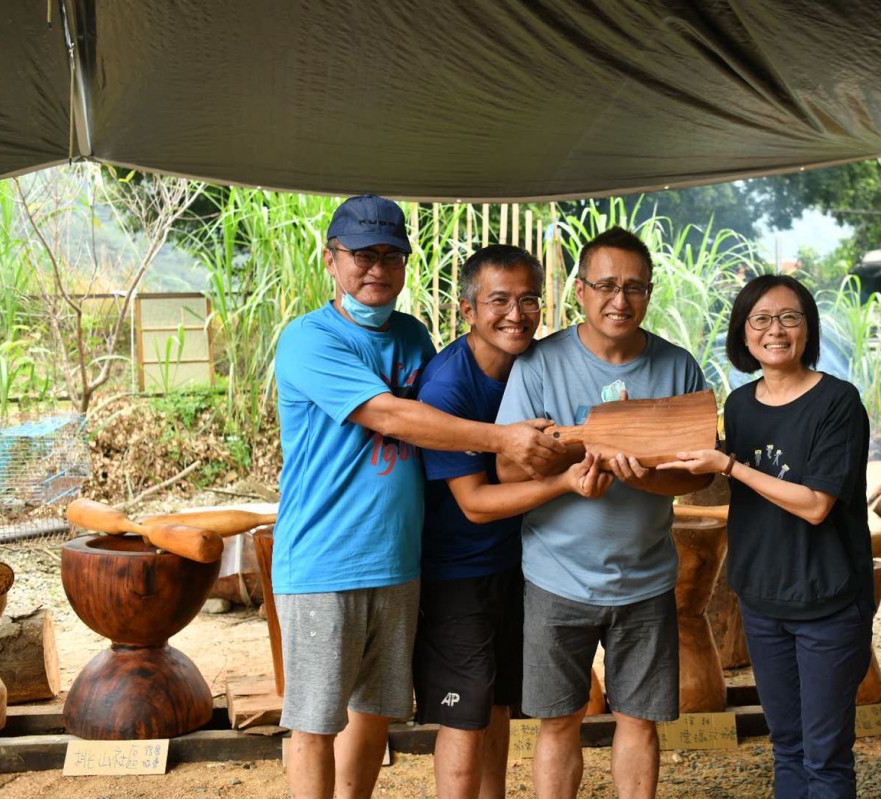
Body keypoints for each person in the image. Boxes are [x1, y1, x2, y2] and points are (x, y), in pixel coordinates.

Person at [272, 195, 564, 799]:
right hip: (324, 559)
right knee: (314, 721)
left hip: (401, 560)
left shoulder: (411, 335)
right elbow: (395, 418)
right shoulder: (308, 339)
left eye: (390, 256)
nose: (376, 268)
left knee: (375, 710)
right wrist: (502, 439)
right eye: (361, 255)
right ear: (332, 260)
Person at [495, 226, 712, 799]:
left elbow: (701, 471)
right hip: (555, 575)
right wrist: (568, 471)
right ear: (581, 291)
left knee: (639, 720)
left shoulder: (677, 368)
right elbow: (509, 470)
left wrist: (651, 477)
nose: (621, 300)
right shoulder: (540, 364)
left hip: (645, 578)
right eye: (608, 285)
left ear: (649, 293)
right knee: (558, 720)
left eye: (635, 287)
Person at [658, 273, 875, 799]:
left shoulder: (837, 402)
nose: (774, 330)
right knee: (787, 747)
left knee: (825, 757)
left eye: (789, 318)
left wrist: (730, 466)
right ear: (743, 332)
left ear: (808, 329)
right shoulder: (739, 404)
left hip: (827, 601)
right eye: (760, 319)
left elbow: (817, 505)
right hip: (761, 600)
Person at [413, 244, 612, 799]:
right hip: (459, 572)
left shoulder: (537, 365)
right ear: (466, 310)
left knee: (498, 702)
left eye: (529, 300)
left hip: (522, 563)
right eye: (499, 300)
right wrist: (563, 483)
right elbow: (474, 502)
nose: (516, 314)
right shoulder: (447, 386)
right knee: (464, 715)